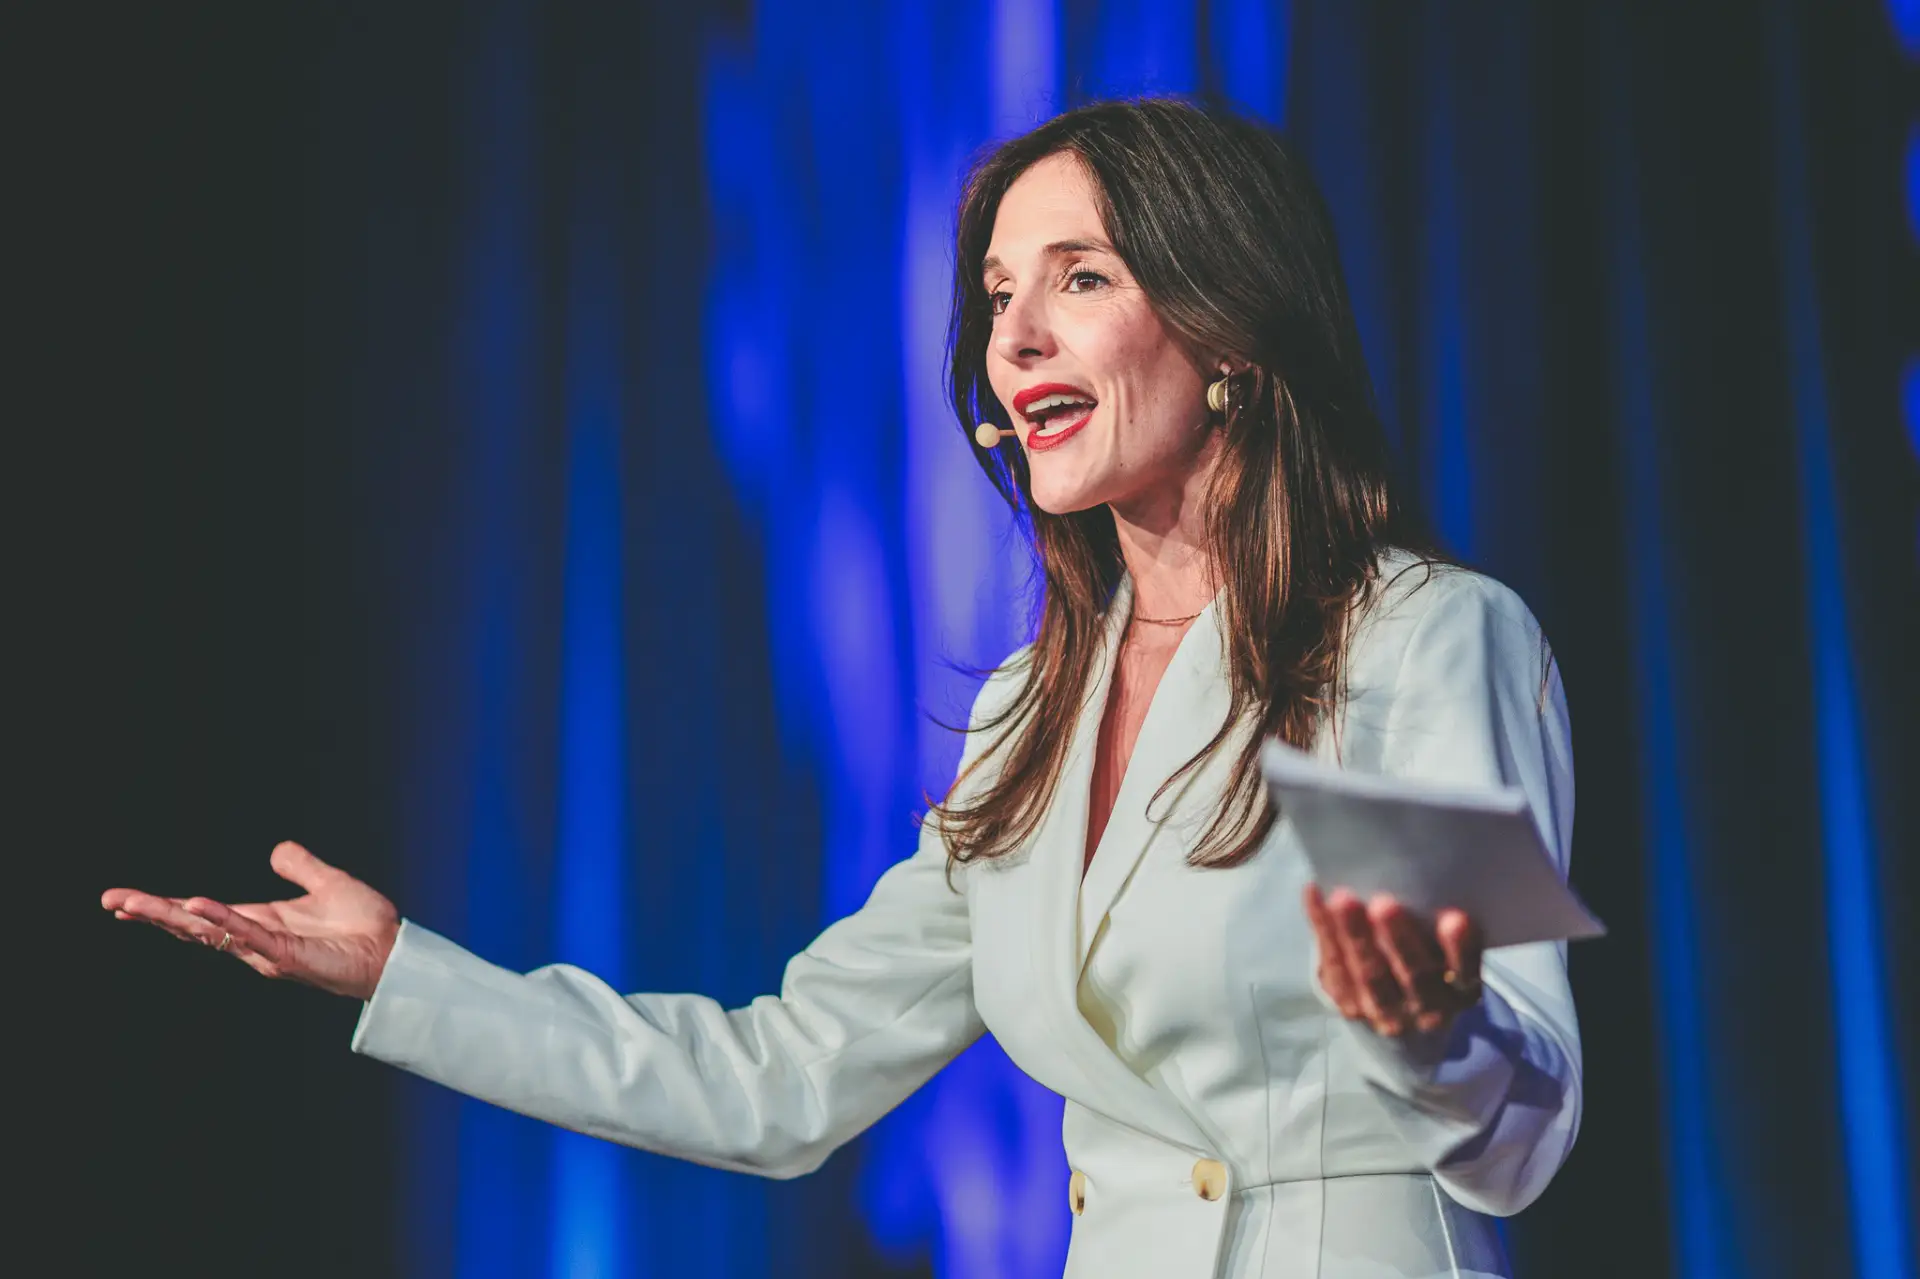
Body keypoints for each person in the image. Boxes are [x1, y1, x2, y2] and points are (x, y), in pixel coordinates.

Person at [104, 97, 1580, 1279]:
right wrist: (405, 974)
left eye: (1081, 277)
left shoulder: (1424, 640)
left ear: (1231, 333)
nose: (1015, 338)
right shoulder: (1030, 714)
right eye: (999, 292)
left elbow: (1524, 1137)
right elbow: (780, 1077)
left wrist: (1432, 1029)